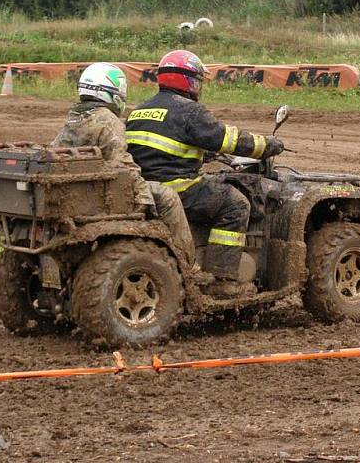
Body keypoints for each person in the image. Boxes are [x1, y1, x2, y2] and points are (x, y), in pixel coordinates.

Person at [126, 50, 284, 289]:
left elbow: (163, 145)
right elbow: (229, 139)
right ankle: (222, 279)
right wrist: (266, 145)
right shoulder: (190, 111)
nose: (199, 86)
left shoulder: (139, 111)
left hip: (145, 187)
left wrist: (205, 152)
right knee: (237, 204)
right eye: (198, 81)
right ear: (189, 80)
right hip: (178, 189)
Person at [51, 62, 194, 263]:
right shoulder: (108, 121)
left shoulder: (75, 117)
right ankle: (187, 264)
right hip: (101, 192)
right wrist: (144, 197)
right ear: (112, 93)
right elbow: (123, 164)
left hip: (81, 187)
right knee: (167, 196)